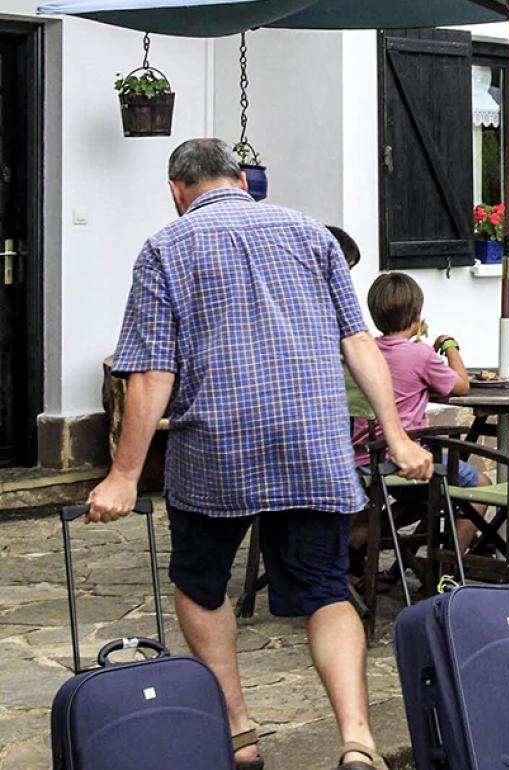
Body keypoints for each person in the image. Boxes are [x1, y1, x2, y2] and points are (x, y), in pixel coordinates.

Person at [87, 138, 432, 770]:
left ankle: (240, 731)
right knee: (327, 591)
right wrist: (400, 436)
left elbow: (151, 374)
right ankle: (358, 741)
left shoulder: (165, 247)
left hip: (217, 450)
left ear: (176, 190)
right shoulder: (310, 233)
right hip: (313, 445)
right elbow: (360, 344)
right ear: (241, 179)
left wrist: (123, 475)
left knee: (199, 583)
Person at [350, 272, 486, 549]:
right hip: (404, 461)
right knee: (481, 485)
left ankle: (372, 548)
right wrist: (450, 346)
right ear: (417, 316)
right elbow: (461, 385)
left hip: (361, 459)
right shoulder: (420, 355)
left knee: (424, 499)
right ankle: (448, 565)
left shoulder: (365, 352)